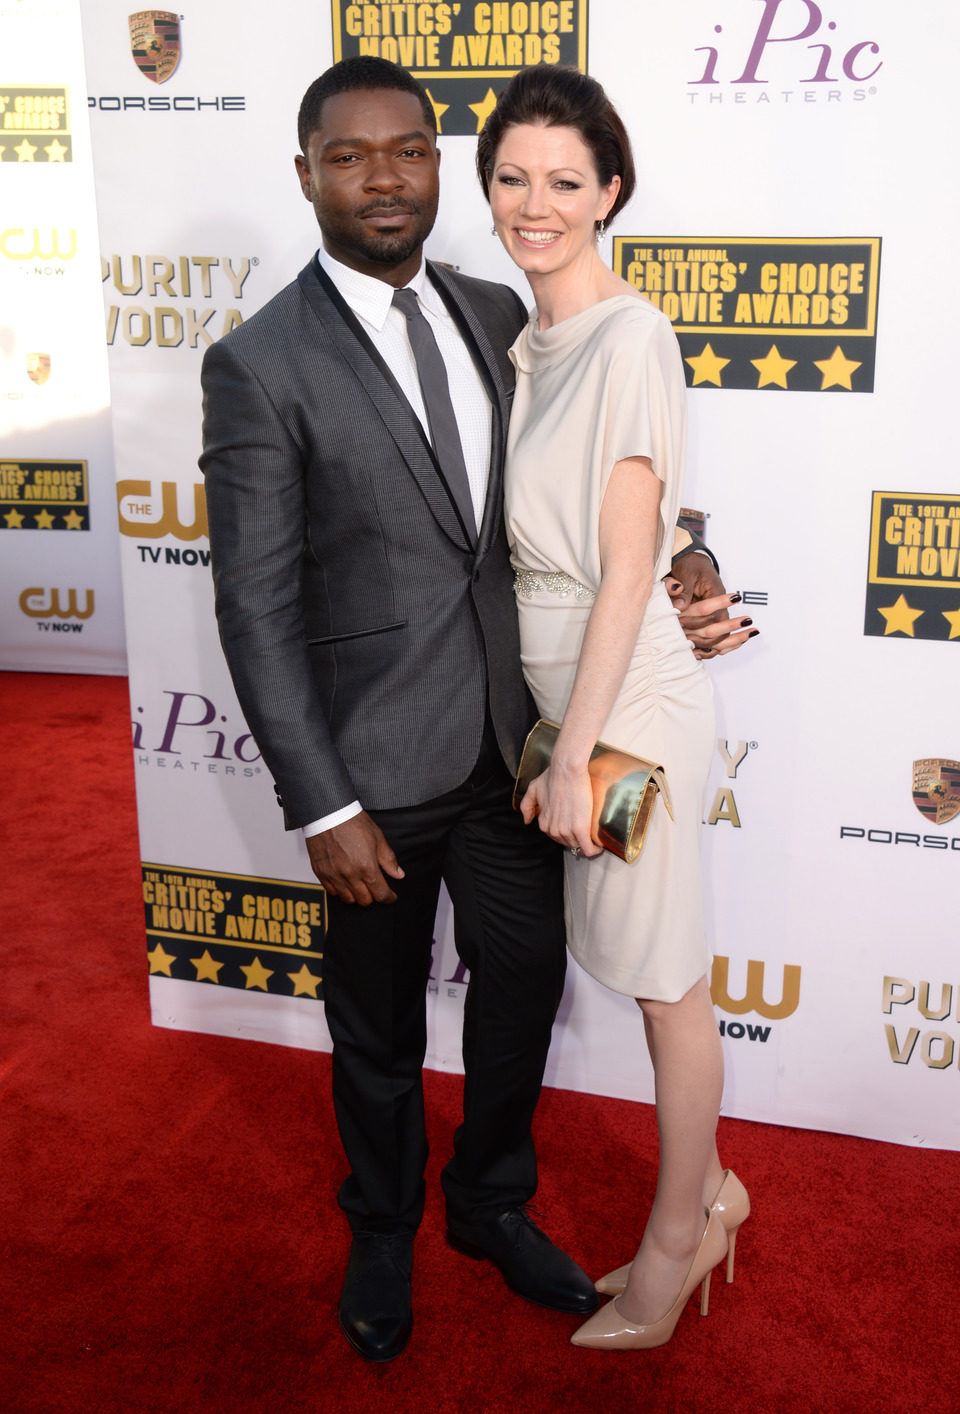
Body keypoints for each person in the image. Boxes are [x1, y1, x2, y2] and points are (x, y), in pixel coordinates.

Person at [200, 56, 752, 1363]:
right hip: (379, 772)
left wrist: (688, 559)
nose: (385, 176)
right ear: (307, 176)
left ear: (438, 168)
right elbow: (254, 606)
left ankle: (493, 1200)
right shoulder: (259, 361)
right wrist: (321, 798)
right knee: (377, 1019)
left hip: (539, 743)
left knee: (536, 979)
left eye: (409, 151)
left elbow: (604, 498)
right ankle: (384, 1220)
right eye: (351, 155)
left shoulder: (496, 306)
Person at [476, 65, 752, 1351]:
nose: (537, 204)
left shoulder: (632, 335)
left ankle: (677, 1243)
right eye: (515, 176)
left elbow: (631, 564)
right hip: (570, 705)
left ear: (612, 193)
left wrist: (577, 753)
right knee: (648, 971)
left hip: (623, 698)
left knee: (664, 987)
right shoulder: (524, 339)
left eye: (566, 182)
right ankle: (712, 1192)